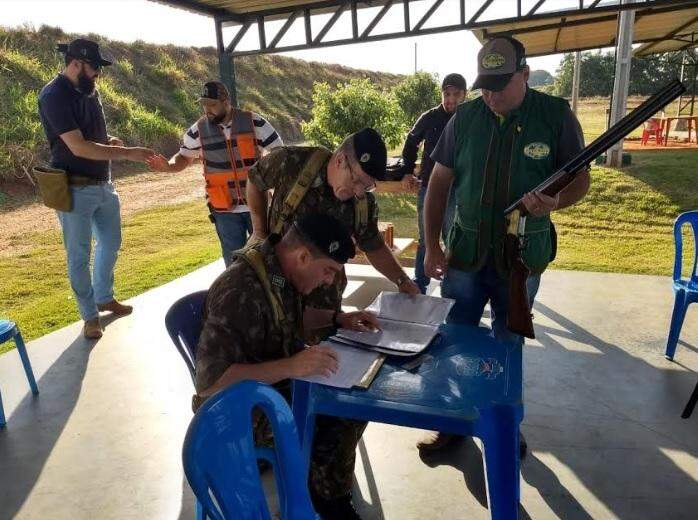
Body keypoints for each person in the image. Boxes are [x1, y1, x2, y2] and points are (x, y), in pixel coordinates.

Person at [421, 36, 590, 451]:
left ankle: (505, 430)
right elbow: (438, 183)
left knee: (507, 345)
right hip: (465, 254)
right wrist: (431, 245)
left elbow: (580, 180)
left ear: (525, 75)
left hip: (521, 258)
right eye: (485, 85)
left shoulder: (555, 115)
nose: (491, 94)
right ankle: (455, 425)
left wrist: (554, 201)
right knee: (457, 338)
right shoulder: (464, 118)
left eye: (500, 84)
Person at [194, 213, 379, 519]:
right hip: (236, 412)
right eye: (328, 271)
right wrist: (292, 366)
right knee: (332, 424)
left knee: (353, 405)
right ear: (303, 256)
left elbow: (288, 318)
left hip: (272, 390)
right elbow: (210, 384)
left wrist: (337, 318)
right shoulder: (240, 289)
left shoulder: (278, 271)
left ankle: (322, 490)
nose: (329, 281)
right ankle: (324, 504)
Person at [246, 128, 420, 336]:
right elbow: (255, 179)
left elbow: (373, 245)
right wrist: (259, 230)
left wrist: (402, 281)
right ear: (339, 160)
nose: (358, 191)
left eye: (367, 186)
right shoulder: (292, 162)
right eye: (356, 180)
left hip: (325, 305)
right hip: (279, 291)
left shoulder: (362, 204)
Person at [37, 38, 155, 339]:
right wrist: (128, 152)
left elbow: (92, 134)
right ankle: (89, 316)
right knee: (78, 256)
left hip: (104, 183)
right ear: (76, 63)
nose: (98, 74)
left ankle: (104, 296)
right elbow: (77, 146)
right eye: (94, 67)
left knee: (111, 243)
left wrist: (111, 139)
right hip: (74, 187)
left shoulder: (89, 90)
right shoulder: (53, 95)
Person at [147, 81, 283, 266]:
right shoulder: (197, 130)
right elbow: (183, 157)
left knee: (269, 260)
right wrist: (168, 166)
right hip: (223, 211)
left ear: (226, 102)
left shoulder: (254, 122)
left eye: (212, 104)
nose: (207, 110)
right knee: (234, 265)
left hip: (258, 206)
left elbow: (280, 153)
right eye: (204, 105)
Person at [392, 73, 467, 294]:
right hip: (429, 187)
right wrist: (406, 172)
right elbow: (410, 143)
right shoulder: (430, 117)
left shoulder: (470, 117)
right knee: (426, 237)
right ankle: (420, 283)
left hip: (459, 188)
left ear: (464, 94)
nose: (450, 99)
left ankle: (450, 285)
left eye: (455, 94)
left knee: (452, 238)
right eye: (446, 94)